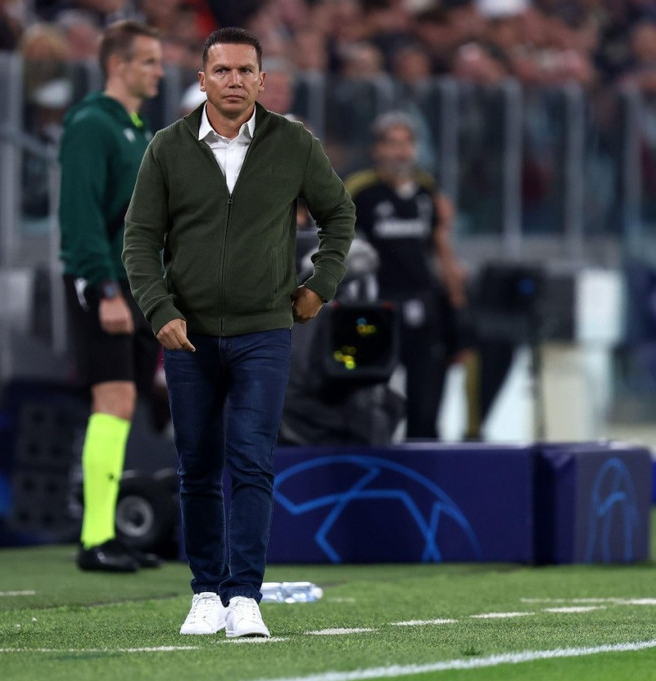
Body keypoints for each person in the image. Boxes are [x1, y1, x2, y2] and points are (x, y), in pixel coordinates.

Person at [122, 27, 355, 637]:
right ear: (201, 80)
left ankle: (245, 595)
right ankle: (206, 592)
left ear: (262, 80)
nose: (233, 81)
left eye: (245, 70)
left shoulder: (294, 143)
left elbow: (339, 213)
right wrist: (159, 309)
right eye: (221, 71)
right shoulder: (167, 148)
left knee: (252, 461)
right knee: (197, 466)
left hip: (264, 331)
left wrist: (321, 284)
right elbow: (139, 238)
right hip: (188, 335)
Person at [59, 19, 164, 573]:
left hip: (137, 283)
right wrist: (103, 289)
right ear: (117, 65)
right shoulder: (90, 125)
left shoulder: (137, 128)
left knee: (124, 407)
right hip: (105, 282)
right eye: (148, 61)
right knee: (113, 402)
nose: (159, 71)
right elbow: (78, 217)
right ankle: (95, 537)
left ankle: (106, 533)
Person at [344, 112, 469, 440]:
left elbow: (440, 246)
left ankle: (424, 454)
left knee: (427, 398)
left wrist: (456, 302)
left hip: (424, 304)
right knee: (371, 397)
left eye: (407, 143)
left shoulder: (426, 190)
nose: (400, 152)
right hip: (378, 307)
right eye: (392, 143)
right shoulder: (360, 190)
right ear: (377, 149)